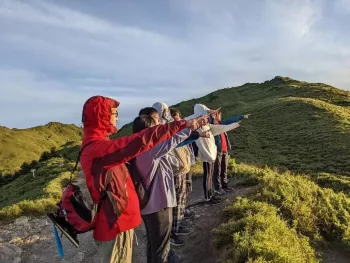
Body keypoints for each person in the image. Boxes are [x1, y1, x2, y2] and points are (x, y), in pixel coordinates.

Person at [80, 96, 197, 263]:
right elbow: (141, 140)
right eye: (114, 113)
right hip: (114, 222)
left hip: (117, 220)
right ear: (101, 114)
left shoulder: (99, 144)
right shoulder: (97, 148)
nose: (117, 117)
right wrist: (182, 124)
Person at [133, 112, 205, 263]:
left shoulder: (141, 149)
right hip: (158, 206)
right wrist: (190, 126)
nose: (158, 131)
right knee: (161, 250)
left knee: (154, 246)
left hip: (152, 206)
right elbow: (172, 141)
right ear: (147, 131)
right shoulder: (148, 150)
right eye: (155, 128)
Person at [184, 104, 243, 205]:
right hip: (206, 156)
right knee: (208, 176)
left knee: (210, 176)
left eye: (206, 116)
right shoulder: (197, 128)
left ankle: (210, 195)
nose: (206, 118)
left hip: (211, 155)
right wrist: (202, 114)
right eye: (204, 116)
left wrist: (235, 124)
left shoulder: (208, 126)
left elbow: (222, 127)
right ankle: (208, 197)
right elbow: (185, 120)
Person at [211, 110, 250, 195]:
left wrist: (242, 116)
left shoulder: (222, 124)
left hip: (224, 149)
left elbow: (231, 120)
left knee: (224, 168)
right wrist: (212, 117)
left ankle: (225, 186)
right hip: (217, 150)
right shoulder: (212, 126)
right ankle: (217, 188)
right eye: (219, 115)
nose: (220, 116)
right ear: (215, 115)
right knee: (217, 170)